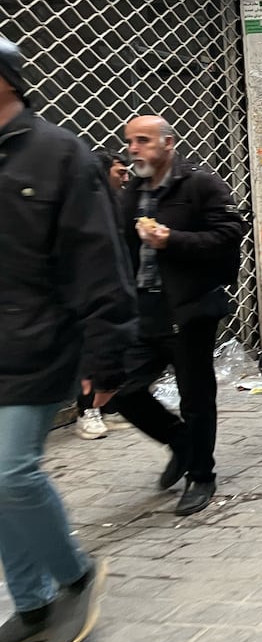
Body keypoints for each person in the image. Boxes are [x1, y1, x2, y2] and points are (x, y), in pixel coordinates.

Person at [0, 38, 128, 642]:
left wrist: (107, 359)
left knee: (10, 469)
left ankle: (75, 576)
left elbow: (99, 262)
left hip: (40, 343)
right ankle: (30, 606)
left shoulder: (59, 155)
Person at [108, 115, 247, 517]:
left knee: (196, 396)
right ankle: (181, 442)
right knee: (123, 390)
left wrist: (172, 239)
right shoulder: (132, 191)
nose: (134, 149)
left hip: (189, 309)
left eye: (143, 140)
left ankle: (201, 475)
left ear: (168, 143)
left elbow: (229, 233)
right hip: (144, 308)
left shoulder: (200, 185)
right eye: (130, 141)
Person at [74, 152, 131, 441]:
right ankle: (87, 413)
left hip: (118, 289)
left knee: (115, 353)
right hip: (90, 292)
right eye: (119, 172)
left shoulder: (120, 203)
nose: (126, 177)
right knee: (92, 355)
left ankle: (108, 408)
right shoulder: (84, 205)